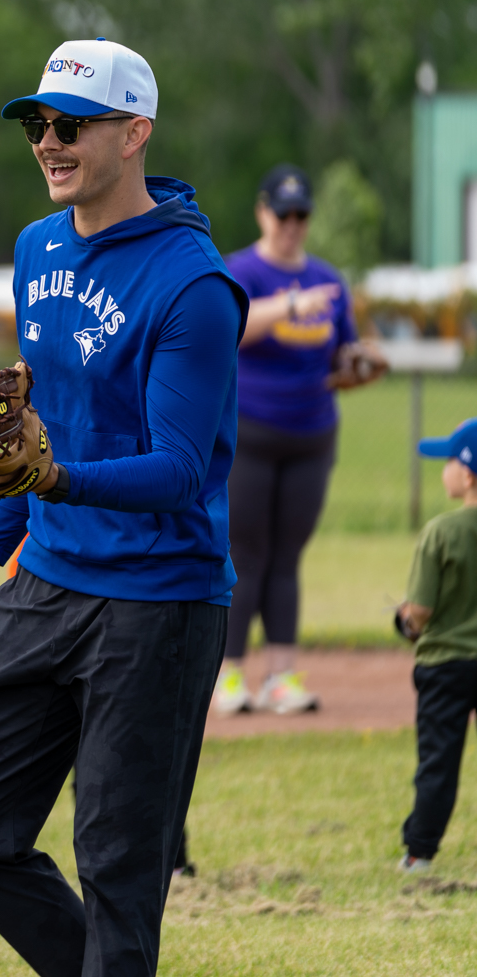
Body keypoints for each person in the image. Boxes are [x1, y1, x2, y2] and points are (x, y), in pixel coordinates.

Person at [0, 39, 247, 977]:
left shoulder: (195, 285)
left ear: (135, 133)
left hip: (158, 602)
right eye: (37, 124)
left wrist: (51, 482)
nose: (48, 143)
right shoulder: (38, 248)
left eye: (70, 125)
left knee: (118, 866)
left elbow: (181, 469)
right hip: (47, 578)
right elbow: (42, 424)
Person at [215, 165, 386, 716]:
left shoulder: (329, 280)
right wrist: (291, 305)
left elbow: (343, 353)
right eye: (282, 213)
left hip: (312, 431)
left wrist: (362, 364)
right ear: (263, 212)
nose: (292, 224)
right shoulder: (241, 270)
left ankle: (282, 677)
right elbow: (228, 327)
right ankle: (231, 676)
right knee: (246, 553)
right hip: (252, 430)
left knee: (287, 555)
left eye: (301, 215)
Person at [394, 418, 477, 874]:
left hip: (446, 666)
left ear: (466, 474)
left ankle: (419, 852)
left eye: (448, 460)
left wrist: (402, 619)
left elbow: (420, 613)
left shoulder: (441, 532)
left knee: (438, 763)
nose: (443, 469)